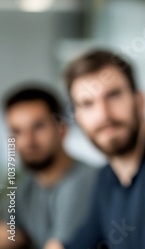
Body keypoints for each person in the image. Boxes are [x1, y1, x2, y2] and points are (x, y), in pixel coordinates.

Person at [61, 49, 145, 249]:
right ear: (78, 119)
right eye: (87, 104)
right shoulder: (107, 176)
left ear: (139, 102)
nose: (103, 114)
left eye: (113, 95)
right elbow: (83, 240)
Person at [0, 86, 97, 249]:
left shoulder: (84, 181)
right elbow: (8, 235)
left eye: (38, 127)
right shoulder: (27, 186)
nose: (28, 141)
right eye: (17, 131)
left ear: (62, 129)